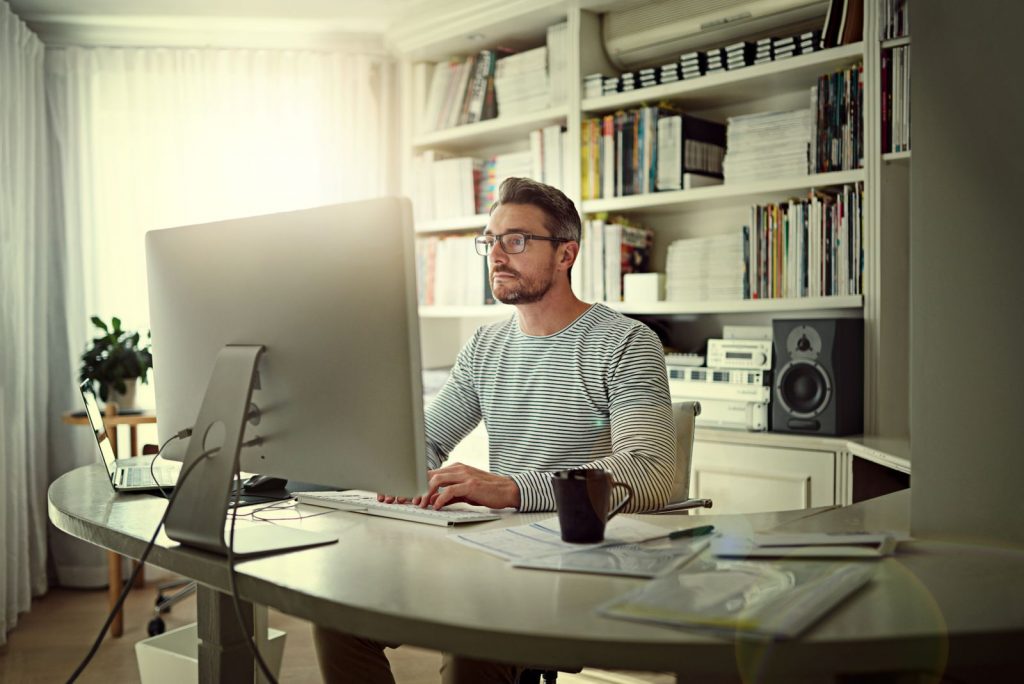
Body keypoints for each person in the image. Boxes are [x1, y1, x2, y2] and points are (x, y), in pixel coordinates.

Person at [314, 177, 676, 683]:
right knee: (339, 613)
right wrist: (406, 466)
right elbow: (427, 439)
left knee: (472, 642)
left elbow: (652, 472)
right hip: (492, 548)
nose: (497, 256)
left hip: (575, 557)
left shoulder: (626, 343)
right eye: (491, 240)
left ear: (566, 254)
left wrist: (510, 489)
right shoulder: (486, 345)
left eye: (517, 240)